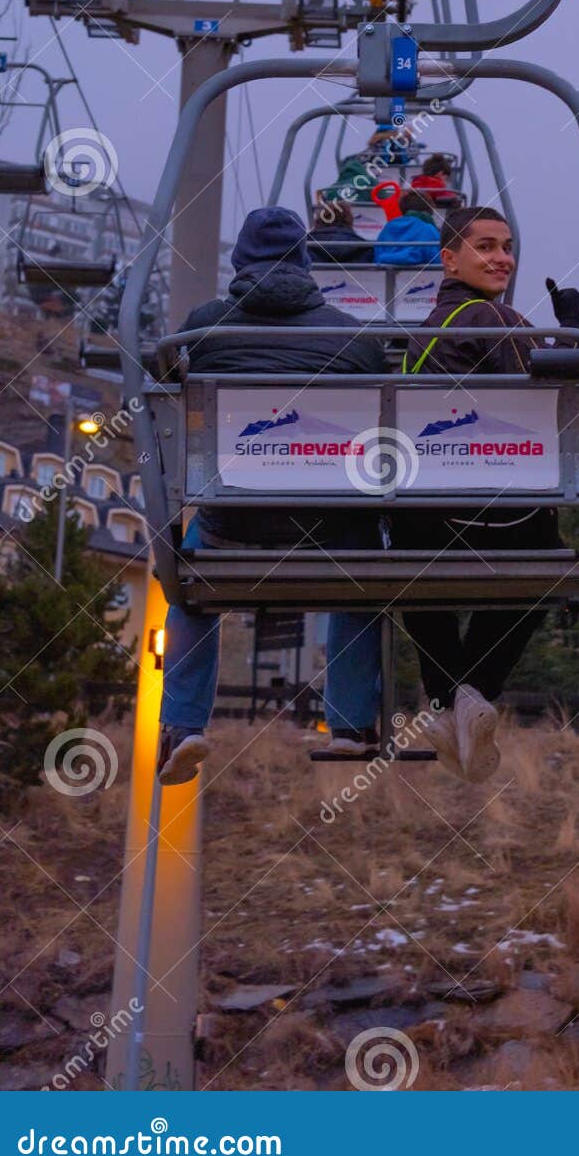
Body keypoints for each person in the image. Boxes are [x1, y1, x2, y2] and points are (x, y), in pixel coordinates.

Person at [157, 207, 388, 785]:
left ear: (240, 262)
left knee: (186, 584)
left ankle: (183, 725)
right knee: (365, 580)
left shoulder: (203, 330)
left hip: (232, 522)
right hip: (329, 527)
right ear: (307, 264)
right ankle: (352, 723)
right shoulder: (353, 339)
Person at [398, 206, 579, 783]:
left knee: (418, 582)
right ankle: (474, 692)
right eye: (485, 246)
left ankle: (443, 705)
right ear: (449, 257)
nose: (502, 257)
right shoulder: (493, 319)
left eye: (507, 246)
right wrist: (572, 332)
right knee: (538, 570)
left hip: (423, 520)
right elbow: (552, 402)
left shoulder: (420, 333)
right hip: (498, 517)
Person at [373, 190, 442, 267]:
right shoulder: (429, 229)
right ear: (428, 211)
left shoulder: (388, 227)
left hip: (382, 277)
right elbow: (438, 262)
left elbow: (377, 257)